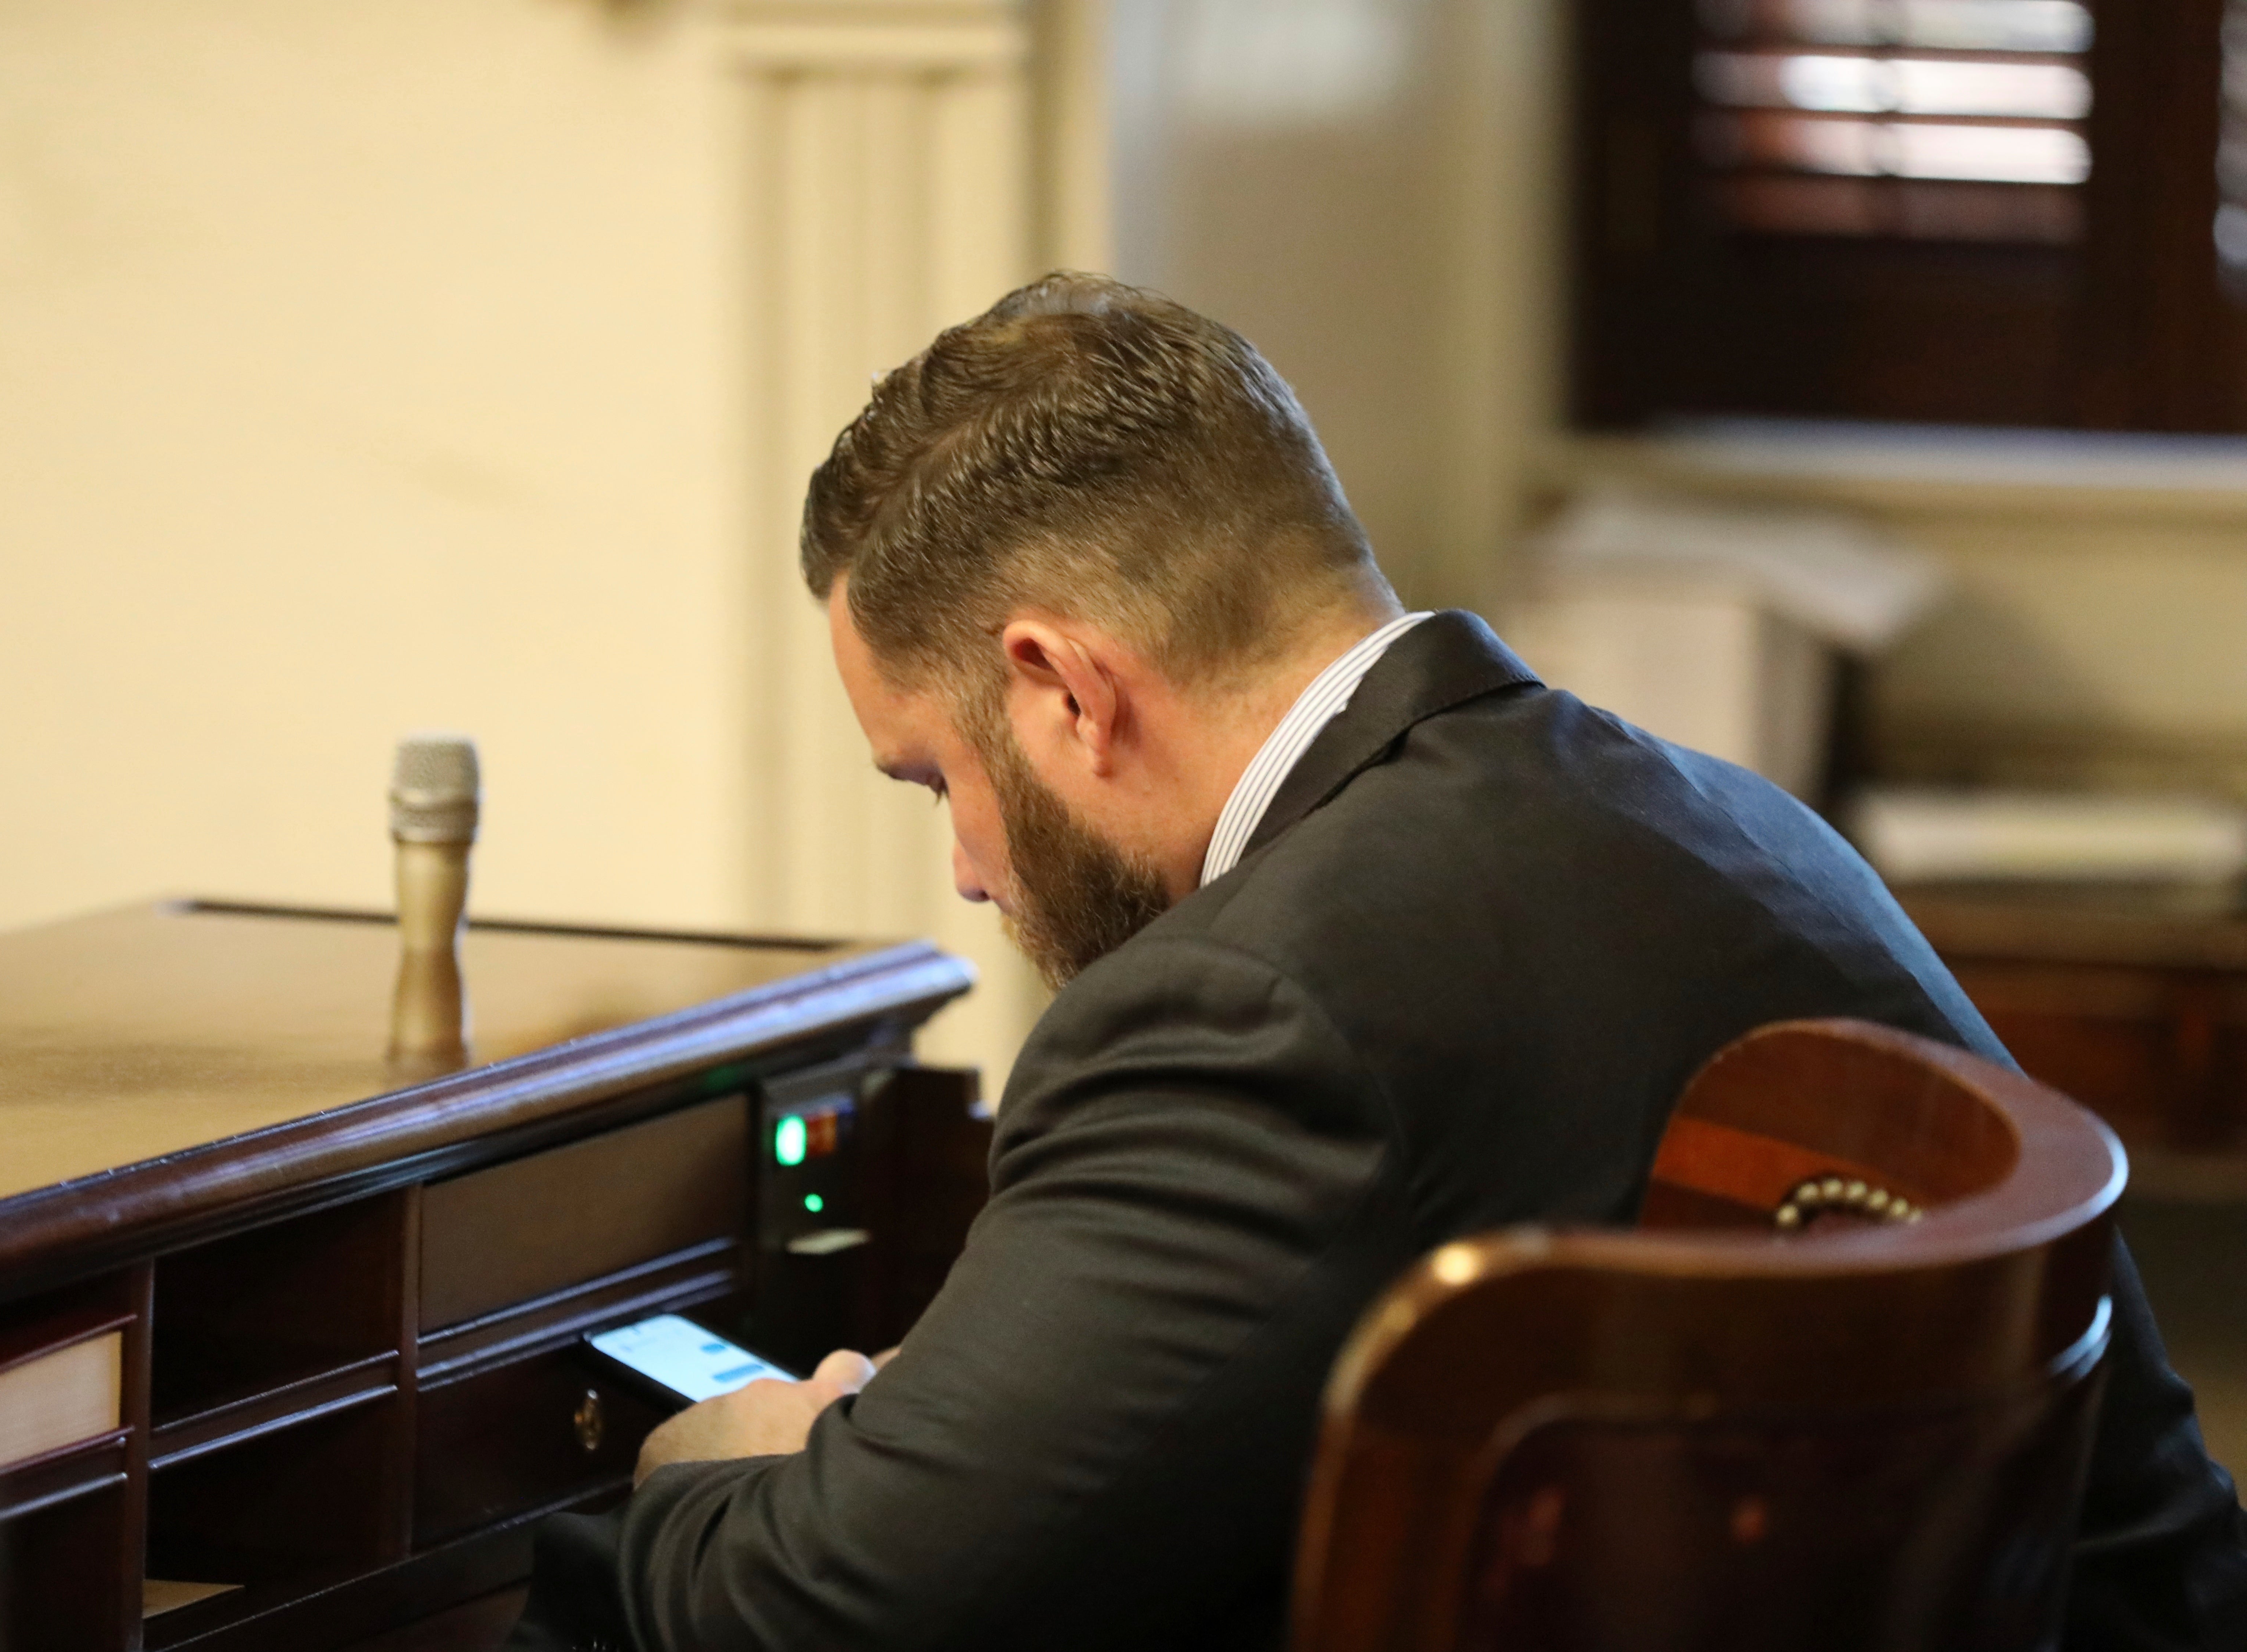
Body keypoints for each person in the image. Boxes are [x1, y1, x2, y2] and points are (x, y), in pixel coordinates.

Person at [509, 274, 2247, 1651]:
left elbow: (850, 1601)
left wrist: (717, 1471)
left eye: (939, 780)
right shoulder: (1724, 823)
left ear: (1062, 685)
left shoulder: (1257, 1008)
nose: (966, 870)